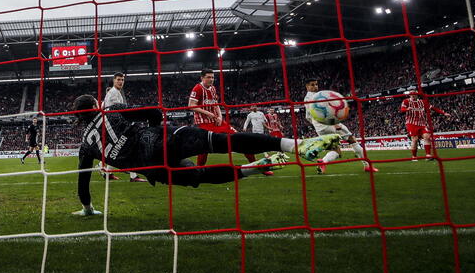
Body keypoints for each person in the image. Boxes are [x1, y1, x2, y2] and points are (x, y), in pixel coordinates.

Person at [70, 94, 340, 216]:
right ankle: (294, 146)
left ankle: (253, 169)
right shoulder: (111, 111)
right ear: (96, 105)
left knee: (198, 176)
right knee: (223, 142)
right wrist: (158, 134)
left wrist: (87, 208)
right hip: (161, 141)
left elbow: (83, 182)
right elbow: (154, 112)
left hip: (153, 168)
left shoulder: (85, 144)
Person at [304, 79, 377, 174]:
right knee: (352, 140)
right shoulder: (318, 97)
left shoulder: (306, 99)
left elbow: (307, 117)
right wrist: (335, 123)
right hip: (330, 124)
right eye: (312, 85)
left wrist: (316, 124)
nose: (315, 87)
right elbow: (327, 112)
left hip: (319, 128)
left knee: (336, 151)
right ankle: (367, 165)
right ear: (307, 87)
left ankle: (323, 162)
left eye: (316, 84)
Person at [100, 73, 147, 182]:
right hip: (115, 126)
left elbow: (103, 107)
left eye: (122, 80)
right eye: (118, 80)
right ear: (114, 80)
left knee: (118, 150)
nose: (121, 82)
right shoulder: (113, 93)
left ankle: (108, 172)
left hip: (113, 125)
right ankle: (133, 176)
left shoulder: (114, 92)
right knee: (129, 147)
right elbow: (119, 112)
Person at [188, 69, 235, 167]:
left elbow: (216, 104)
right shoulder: (197, 88)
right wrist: (207, 113)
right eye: (208, 77)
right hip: (203, 122)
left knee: (239, 138)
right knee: (204, 148)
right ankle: (199, 170)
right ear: (202, 78)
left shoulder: (213, 88)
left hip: (216, 121)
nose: (211, 79)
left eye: (213, 77)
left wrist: (220, 116)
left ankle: (256, 165)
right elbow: (191, 105)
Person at [400, 93, 449, 161]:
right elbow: (402, 109)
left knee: (427, 136)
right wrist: (407, 109)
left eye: (414, 95)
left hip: (422, 124)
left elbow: (432, 108)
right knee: (415, 139)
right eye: (412, 95)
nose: (413, 96)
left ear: (417, 95)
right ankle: (414, 156)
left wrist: (443, 113)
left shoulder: (422, 102)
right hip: (411, 123)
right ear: (410, 95)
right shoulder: (406, 101)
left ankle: (428, 155)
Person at [242, 105, 273, 175]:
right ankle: (264, 154)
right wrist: (244, 128)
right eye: (253, 106)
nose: (254, 107)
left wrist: (268, 127)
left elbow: (264, 121)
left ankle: (261, 154)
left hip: (261, 130)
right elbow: (247, 121)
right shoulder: (250, 115)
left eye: (255, 106)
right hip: (255, 131)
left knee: (261, 142)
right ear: (251, 108)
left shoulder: (261, 113)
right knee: (259, 143)